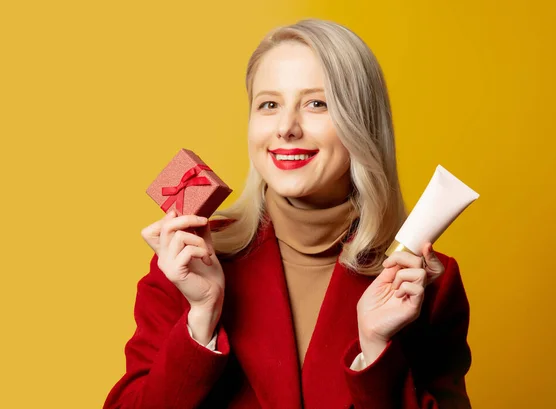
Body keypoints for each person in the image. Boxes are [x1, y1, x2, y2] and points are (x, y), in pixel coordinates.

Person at [104, 18, 472, 409]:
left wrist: (376, 353)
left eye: (317, 103)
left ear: (361, 122)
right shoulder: (187, 260)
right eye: (269, 104)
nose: (285, 128)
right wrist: (200, 321)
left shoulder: (425, 282)